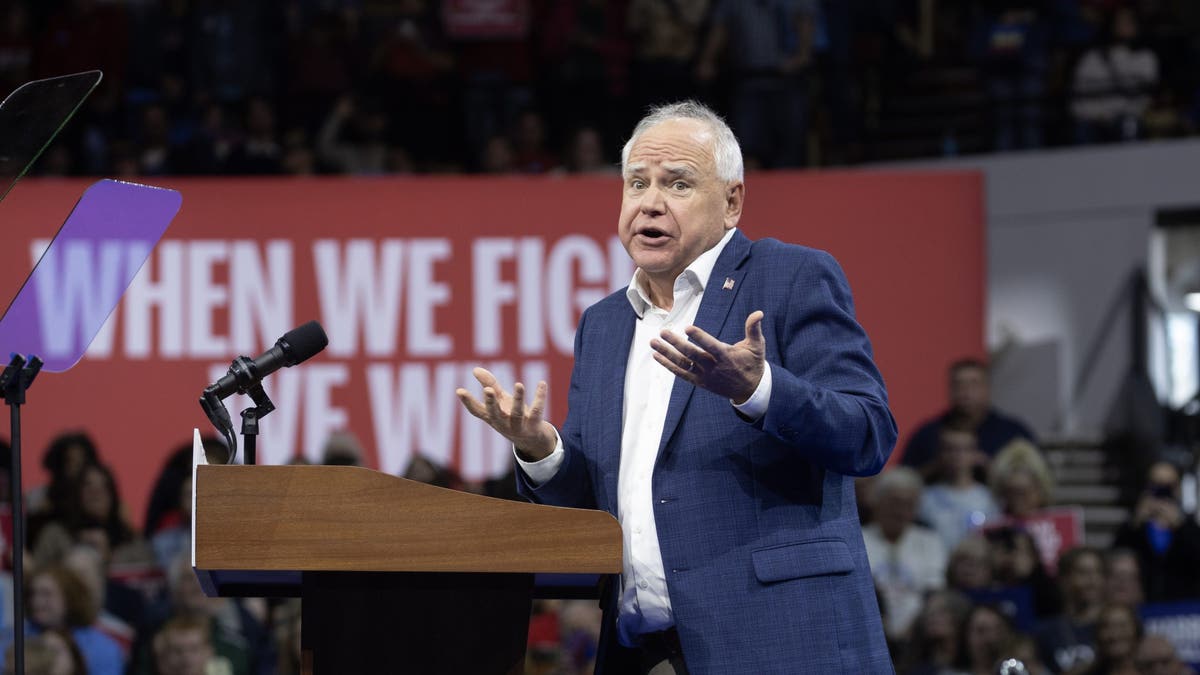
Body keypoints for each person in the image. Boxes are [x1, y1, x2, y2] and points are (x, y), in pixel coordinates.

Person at [457, 100, 896, 674]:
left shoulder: (790, 276)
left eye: (678, 183)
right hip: (645, 654)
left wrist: (758, 388)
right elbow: (597, 500)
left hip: (782, 641)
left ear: (732, 201)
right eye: (636, 183)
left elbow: (867, 433)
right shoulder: (605, 323)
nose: (649, 203)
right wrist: (542, 451)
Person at [902, 359, 1035, 476]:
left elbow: (1037, 479)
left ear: (987, 388)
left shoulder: (1013, 434)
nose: (966, 391)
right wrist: (939, 466)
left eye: (974, 384)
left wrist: (991, 469)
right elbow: (904, 480)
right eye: (959, 385)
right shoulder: (927, 434)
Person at [861, 467, 947, 641]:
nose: (900, 511)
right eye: (894, 502)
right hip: (868, 631)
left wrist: (914, 629)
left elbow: (934, 592)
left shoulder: (930, 541)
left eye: (908, 504)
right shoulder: (859, 539)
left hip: (920, 636)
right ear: (877, 502)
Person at [1111, 460, 1200, 602]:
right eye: (1156, 485)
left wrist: (1181, 527)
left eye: (1167, 486)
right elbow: (1116, 557)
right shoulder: (1133, 525)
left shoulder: (1190, 526)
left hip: (1182, 608)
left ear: (1177, 489)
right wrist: (1135, 523)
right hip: (1142, 604)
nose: (1161, 491)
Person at [1034, 547, 1103, 674]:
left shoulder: (1114, 626)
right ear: (1064, 580)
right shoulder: (1046, 632)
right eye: (1083, 573)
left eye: (1097, 572)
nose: (1092, 580)